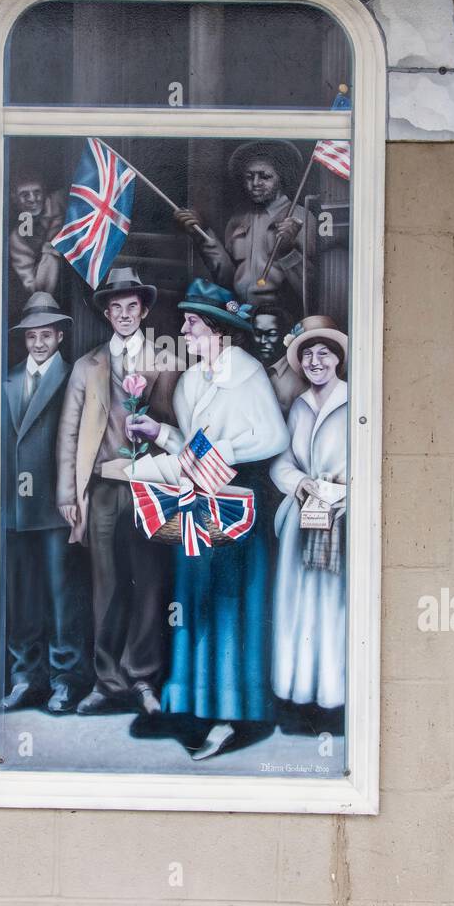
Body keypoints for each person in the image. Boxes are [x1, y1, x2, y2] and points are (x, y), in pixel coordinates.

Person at [126, 279, 289, 761]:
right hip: (199, 505)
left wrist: (227, 453)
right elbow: (193, 447)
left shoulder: (248, 373)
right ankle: (195, 705)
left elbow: (274, 437)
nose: (184, 330)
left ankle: (232, 713)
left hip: (238, 508)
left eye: (192, 323)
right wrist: (160, 432)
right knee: (193, 600)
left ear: (216, 329)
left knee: (229, 607)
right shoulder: (193, 380)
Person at [56, 267, 178, 715]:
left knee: (148, 582)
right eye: (116, 308)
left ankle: (143, 678)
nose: (125, 315)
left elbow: (176, 423)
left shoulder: (165, 361)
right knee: (106, 586)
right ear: (107, 314)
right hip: (104, 487)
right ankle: (107, 681)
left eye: (132, 307)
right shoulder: (87, 366)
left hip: (150, 486)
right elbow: (68, 432)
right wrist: (68, 494)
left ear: (143, 311)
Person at [1, 293, 89, 714]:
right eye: (31, 336)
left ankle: (65, 680)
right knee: (23, 596)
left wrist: (73, 498)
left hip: (55, 507)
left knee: (61, 597)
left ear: (59, 337)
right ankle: (24, 678)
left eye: (46, 335)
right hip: (14, 507)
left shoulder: (73, 379)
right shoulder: (8, 379)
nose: (38, 343)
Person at [270, 318, 349, 726]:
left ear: (338, 358)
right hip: (302, 518)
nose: (315, 361)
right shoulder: (299, 407)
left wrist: (344, 494)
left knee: (331, 606)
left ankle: (332, 696)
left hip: (340, 519)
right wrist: (300, 483)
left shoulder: (355, 403)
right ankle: (298, 693)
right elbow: (281, 462)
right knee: (297, 606)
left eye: (323, 353)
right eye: (307, 354)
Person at [173, 141, 311, 318]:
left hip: (280, 318)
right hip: (241, 315)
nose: (255, 183)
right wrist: (202, 233)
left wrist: (287, 252)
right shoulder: (237, 221)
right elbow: (226, 277)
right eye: (249, 177)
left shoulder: (301, 218)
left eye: (265, 176)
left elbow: (312, 288)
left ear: (281, 177)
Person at [8, 171, 66, 297]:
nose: (32, 199)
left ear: (44, 192)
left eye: (37, 192)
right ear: (14, 198)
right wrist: (49, 252)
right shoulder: (18, 238)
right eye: (25, 194)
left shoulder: (60, 201)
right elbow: (32, 285)